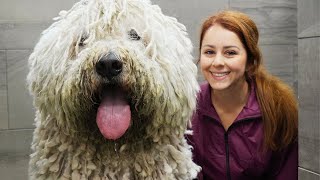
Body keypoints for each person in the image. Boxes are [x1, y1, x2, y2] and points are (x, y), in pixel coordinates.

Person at [188, 10, 298, 180]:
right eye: (209, 52)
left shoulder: (279, 107)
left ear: (250, 61)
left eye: (230, 52)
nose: (217, 62)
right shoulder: (186, 106)